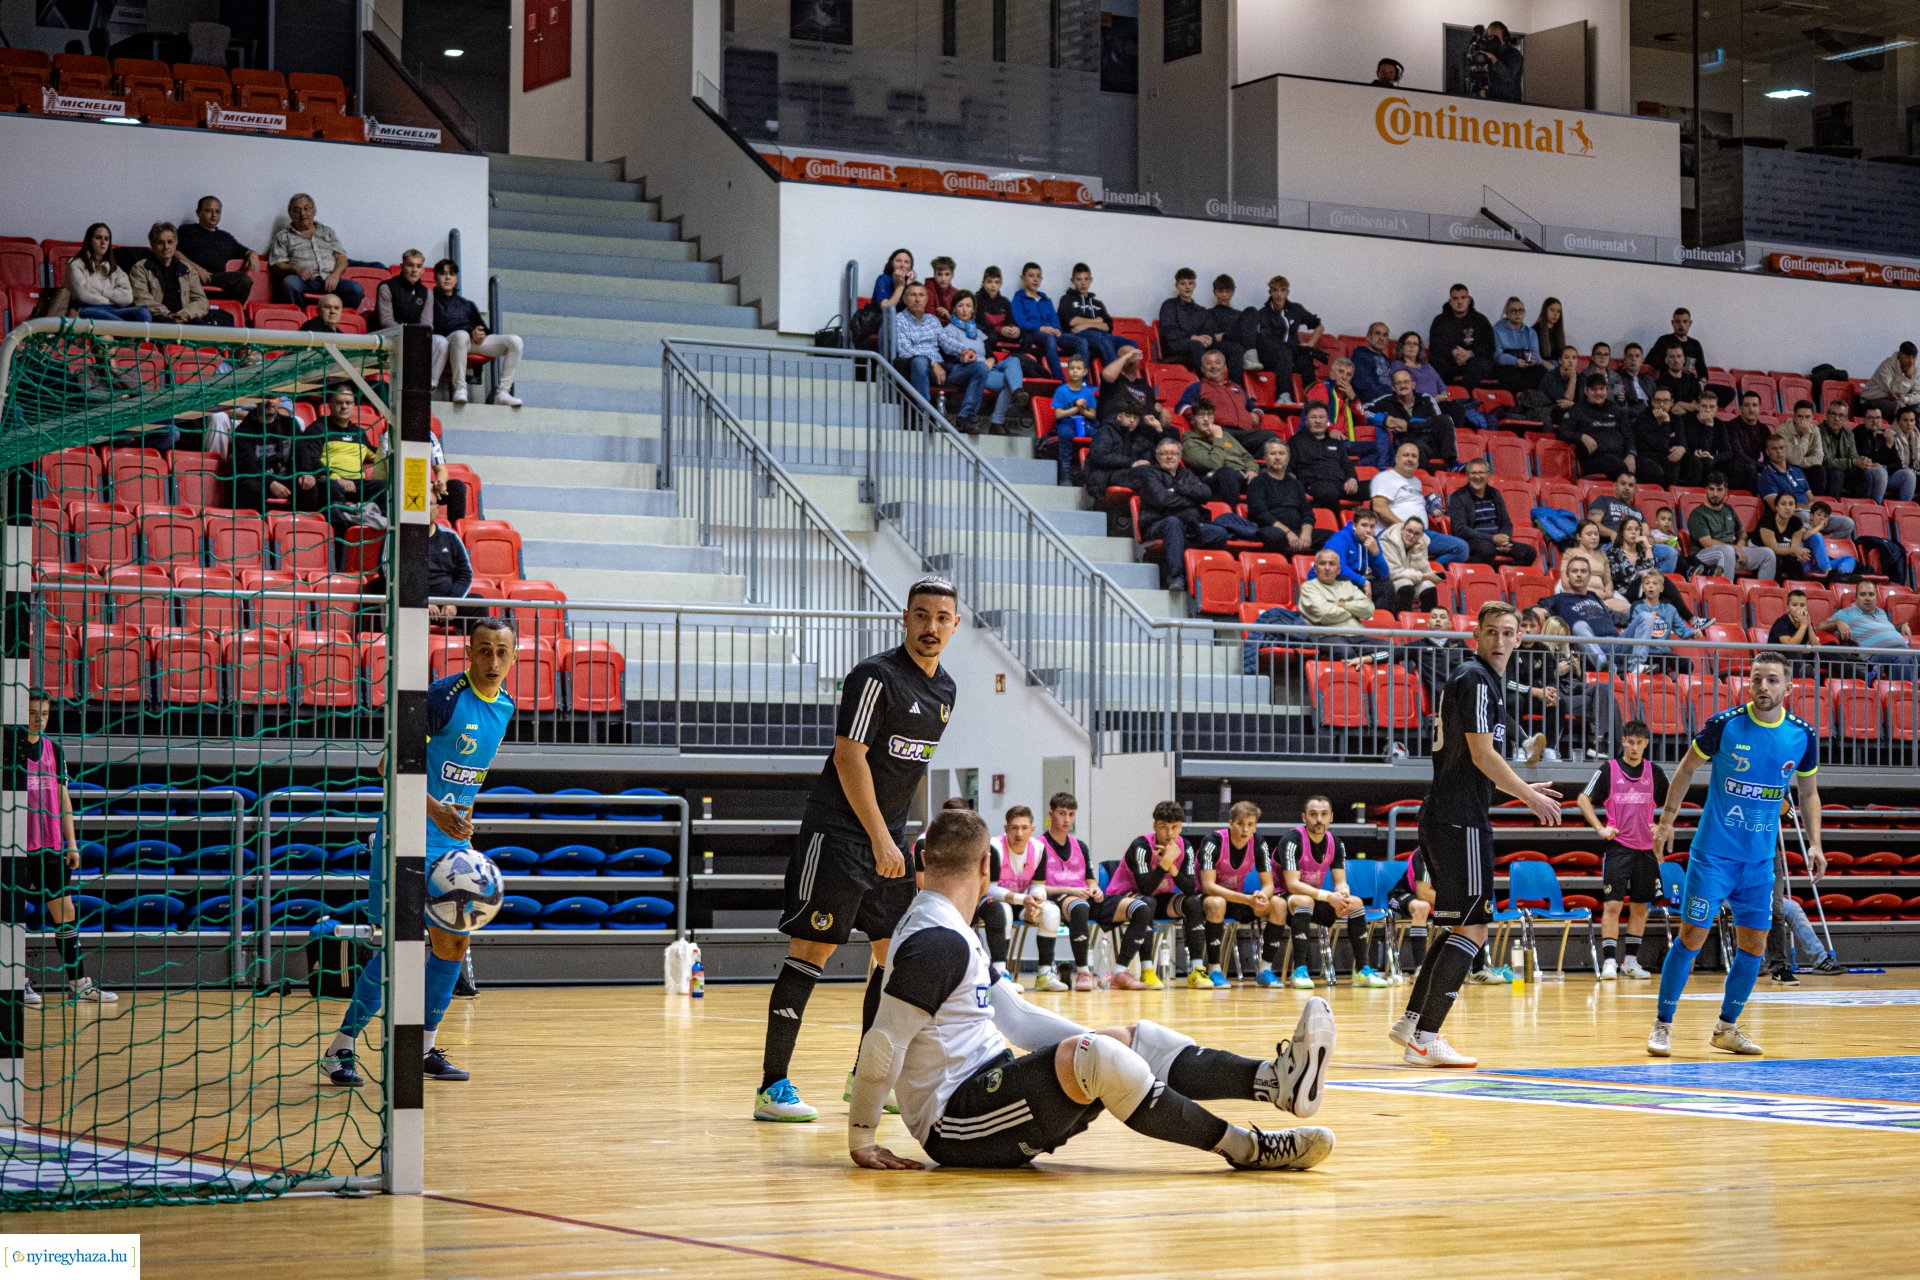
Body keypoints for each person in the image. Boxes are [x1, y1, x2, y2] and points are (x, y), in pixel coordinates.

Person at [847, 808, 1337, 1174]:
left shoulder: (950, 929)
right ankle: (1250, 1149)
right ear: (986, 870)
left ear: (927, 861)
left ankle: (1275, 1080)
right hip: (954, 1125)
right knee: (1098, 1055)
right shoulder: (935, 941)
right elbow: (883, 1043)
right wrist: (862, 1138)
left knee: (1133, 1038)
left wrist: (1109, 1040)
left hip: (991, 1090)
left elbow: (1016, 1019)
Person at [755, 579, 961, 1123]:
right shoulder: (875, 677)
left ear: (955, 625)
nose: (931, 627)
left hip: (889, 841)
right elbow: (849, 756)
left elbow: (909, 769)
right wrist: (877, 837)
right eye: (921, 615)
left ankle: (863, 1075)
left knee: (890, 958)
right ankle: (772, 1087)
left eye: (942, 618)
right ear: (905, 619)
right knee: (812, 952)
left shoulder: (947, 692)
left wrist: (901, 836)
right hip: (841, 836)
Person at [324, 619, 519, 1086]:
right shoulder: (442, 697)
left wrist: (462, 828)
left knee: (454, 942)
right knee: (400, 946)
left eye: (502, 653)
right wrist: (436, 812)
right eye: (484, 651)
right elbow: (388, 764)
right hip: (407, 832)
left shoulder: (506, 707)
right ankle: (341, 1049)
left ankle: (424, 1047)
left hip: (451, 841)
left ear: (515, 657)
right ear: (468, 652)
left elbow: (464, 778)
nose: (493, 662)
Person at [1390, 602, 1563, 1067]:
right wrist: (1529, 796)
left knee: (1456, 924)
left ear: (1521, 638)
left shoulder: (1484, 682)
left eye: (1509, 633)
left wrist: (1520, 788)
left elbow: (1473, 766)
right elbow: (1483, 755)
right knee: (1475, 925)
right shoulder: (1477, 679)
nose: (1501, 640)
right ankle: (1425, 1037)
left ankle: (1411, 1021)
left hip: (1449, 813)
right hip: (1459, 820)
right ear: (1476, 635)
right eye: (1492, 632)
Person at [1649, 653, 1821, 1058]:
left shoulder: (1802, 735)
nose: (1763, 687)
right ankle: (1662, 1025)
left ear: (1788, 687)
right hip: (1713, 856)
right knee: (1691, 937)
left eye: (1773, 680)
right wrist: (1667, 820)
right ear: (1748, 683)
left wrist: (1815, 843)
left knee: (1755, 947)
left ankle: (1726, 1028)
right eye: (1757, 679)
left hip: (1760, 864)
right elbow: (1686, 769)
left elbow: (1809, 792)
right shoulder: (1724, 725)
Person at [20, 690, 114, 1006]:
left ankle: (79, 983)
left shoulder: (54, 750)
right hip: (17, 846)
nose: (38, 719)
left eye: (44, 713)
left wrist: (71, 844)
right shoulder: (11, 748)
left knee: (66, 913)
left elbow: (63, 798)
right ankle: (15, 982)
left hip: (51, 846)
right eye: (33, 712)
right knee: (12, 915)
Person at [1576, 720, 1667, 981]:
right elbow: (1583, 799)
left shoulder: (1655, 772)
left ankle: (1630, 962)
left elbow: (1672, 801)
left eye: (1640, 743)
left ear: (1646, 744)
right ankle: (1608, 962)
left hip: (1646, 851)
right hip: (1618, 848)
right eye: (1631, 742)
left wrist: (1661, 825)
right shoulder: (1609, 769)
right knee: (1613, 905)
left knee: (1640, 907)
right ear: (1623, 742)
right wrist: (1600, 828)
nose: (1635, 748)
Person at [1102, 800, 1208, 989]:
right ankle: (1148, 971)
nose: (1169, 834)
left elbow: (1191, 888)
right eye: (1164, 827)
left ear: (1181, 827)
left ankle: (1197, 970)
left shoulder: (1186, 847)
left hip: (1159, 898)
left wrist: (1172, 866)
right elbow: (1146, 889)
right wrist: (1165, 861)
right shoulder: (1141, 845)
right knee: (1147, 902)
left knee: (1193, 902)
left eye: (1175, 827)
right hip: (1126, 896)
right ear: (1154, 826)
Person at [1280, 797, 1382, 989]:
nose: (1319, 819)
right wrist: (1328, 897)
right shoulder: (1292, 840)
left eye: (1324, 814)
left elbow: (1341, 881)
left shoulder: (1335, 843)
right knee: (1304, 901)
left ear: (1331, 817)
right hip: (1283, 899)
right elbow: (1292, 884)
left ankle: (1362, 970)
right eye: (1313, 814)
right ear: (1304, 817)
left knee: (1356, 903)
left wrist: (1342, 894)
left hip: (1315, 898)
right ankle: (1300, 970)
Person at [1193, 802, 1282, 988]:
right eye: (1240, 823)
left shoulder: (1259, 843)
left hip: (1238, 899)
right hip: (1205, 900)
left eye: (1250, 824)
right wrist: (1247, 900)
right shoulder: (1212, 841)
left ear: (1255, 826)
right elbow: (1209, 886)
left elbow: (1269, 885)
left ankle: (1265, 970)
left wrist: (1262, 897)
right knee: (1217, 903)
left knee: (1278, 904)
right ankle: (1215, 970)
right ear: (1230, 823)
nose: (1245, 829)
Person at [1138, 437, 1227, 590]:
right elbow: (1163, 501)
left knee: (1219, 533)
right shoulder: (1150, 475)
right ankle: (1175, 577)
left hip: (1186, 526)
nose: (1169, 456)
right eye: (1164, 453)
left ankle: (1204, 577)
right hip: (1156, 524)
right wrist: (1192, 502)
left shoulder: (1186, 474)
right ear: (1158, 457)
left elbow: (1205, 493)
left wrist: (1182, 490)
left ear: (1179, 457)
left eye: (1173, 453)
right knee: (1173, 523)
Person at [433, 258, 524, 407]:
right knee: (461, 335)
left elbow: (486, 330)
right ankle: (460, 388)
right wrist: (470, 332)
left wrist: (480, 334)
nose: (448, 277)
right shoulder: (431, 300)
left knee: (515, 341)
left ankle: (502, 393)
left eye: (452, 274)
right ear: (436, 277)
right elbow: (440, 324)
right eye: (443, 274)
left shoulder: (466, 304)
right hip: (447, 342)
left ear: (456, 279)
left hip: (469, 342)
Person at [1035, 793, 1102, 991]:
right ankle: (1083, 972)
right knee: (1080, 907)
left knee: (1139, 907)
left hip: (1080, 895)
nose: (1066, 820)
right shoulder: (1038, 846)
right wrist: (1069, 889)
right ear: (1051, 814)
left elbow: (1090, 880)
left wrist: (1096, 890)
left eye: (1071, 814)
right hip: (1054, 898)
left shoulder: (1080, 846)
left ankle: (1122, 971)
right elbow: (1036, 886)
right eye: (1062, 813)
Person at [980, 806, 1049, 988]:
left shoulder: (1039, 849)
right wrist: (1021, 899)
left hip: (1022, 900)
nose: (1019, 833)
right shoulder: (994, 847)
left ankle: (1045, 974)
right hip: (994, 902)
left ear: (1032, 829)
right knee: (1004, 910)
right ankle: (1001, 973)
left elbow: (1038, 886)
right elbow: (989, 889)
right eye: (1014, 828)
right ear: (1006, 828)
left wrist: (1038, 898)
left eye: (1024, 828)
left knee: (1051, 913)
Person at [1370, 442, 1469, 565]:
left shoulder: (1416, 482)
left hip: (1421, 535)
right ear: (1396, 458)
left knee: (1462, 548)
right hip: (1392, 533)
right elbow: (1379, 508)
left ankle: (1430, 569)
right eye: (1406, 455)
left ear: (1418, 462)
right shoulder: (1384, 477)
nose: (1410, 459)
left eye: (1414, 456)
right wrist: (1406, 528)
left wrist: (1431, 511)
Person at [1175, 348, 1279, 457]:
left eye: (1218, 363)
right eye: (1208, 363)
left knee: (1271, 438)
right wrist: (1200, 417)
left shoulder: (1237, 388)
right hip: (1220, 432)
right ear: (1202, 368)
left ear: (1225, 367)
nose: (1213, 366)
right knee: (1224, 442)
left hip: (1245, 434)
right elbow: (1182, 406)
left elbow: (1255, 408)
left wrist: (1256, 414)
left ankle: (1248, 463)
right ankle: (1242, 462)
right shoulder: (1197, 387)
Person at [230, 395, 323, 514]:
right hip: (259, 480)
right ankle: (258, 524)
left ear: (280, 400)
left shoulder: (290, 424)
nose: (269, 401)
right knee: (250, 487)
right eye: (265, 397)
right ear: (256, 401)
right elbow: (246, 465)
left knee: (309, 485)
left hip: (287, 478)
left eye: (273, 397)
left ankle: (301, 524)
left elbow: (303, 453)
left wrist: (306, 473)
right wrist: (270, 483)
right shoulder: (243, 430)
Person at [270, 193, 362, 308]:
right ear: (291, 214)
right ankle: (301, 319)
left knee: (355, 289)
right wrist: (295, 269)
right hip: (304, 282)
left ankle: (338, 321)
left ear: (314, 211)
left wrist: (335, 275)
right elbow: (277, 264)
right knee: (290, 283)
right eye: (297, 210)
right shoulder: (283, 236)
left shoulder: (327, 232)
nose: (302, 213)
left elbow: (342, 259)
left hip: (330, 280)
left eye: (306, 208)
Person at [130, 222, 231, 326]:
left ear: (176, 243)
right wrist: (168, 314)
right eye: (160, 243)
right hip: (159, 318)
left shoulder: (188, 269)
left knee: (216, 326)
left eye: (170, 242)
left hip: (185, 317)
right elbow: (142, 300)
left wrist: (186, 313)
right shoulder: (140, 268)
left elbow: (201, 300)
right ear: (152, 245)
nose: (166, 247)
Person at [1756, 433, 1856, 537]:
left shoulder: (1797, 470)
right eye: (1774, 449)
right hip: (1790, 516)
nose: (1779, 452)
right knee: (1804, 517)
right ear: (1767, 452)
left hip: (1810, 514)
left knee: (1848, 523)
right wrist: (1804, 507)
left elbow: (1810, 496)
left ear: (1786, 448)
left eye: (1781, 448)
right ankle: (1816, 537)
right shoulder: (1766, 476)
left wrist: (1817, 511)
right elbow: (1776, 506)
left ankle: (1825, 541)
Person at [376, 249, 448, 390]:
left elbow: (426, 324)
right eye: (410, 265)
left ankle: (428, 385)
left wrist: (414, 337)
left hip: (414, 338)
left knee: (441, 342)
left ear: (423, 270)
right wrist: (408, 334)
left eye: (419, 266)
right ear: (402, 267)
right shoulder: (387, 287)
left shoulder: (427, 293)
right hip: (391, 336)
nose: (414, 270)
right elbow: (386, 322)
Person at [892, 281, 968, 413]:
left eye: (921, 295)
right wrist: (933, 363)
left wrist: (965, 350)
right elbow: (905, 350)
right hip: (913, 366)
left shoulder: (932, 319)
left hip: (938, 368)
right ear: (904, 299)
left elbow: (946, 340)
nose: (917, 299)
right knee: (920, 361)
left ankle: (967, 417)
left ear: (927, 299)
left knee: (977, 368)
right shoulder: (898, 319)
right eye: (913, 295)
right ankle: (924, 414)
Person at [1544, 553, 1626, 671]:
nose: (1579, 575)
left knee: (1645, 617)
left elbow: (1614, 616)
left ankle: (1638, 666)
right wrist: (1539, 611)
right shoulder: (1559, 599)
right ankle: (1603, 665)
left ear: (1589, 576)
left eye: (1583, 571)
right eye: (1574, 571)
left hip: (1617, 643)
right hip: (1592, 647)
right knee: (1579, 625)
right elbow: (1535, 611)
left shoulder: (1594, 596)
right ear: (1567, 576)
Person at [1820, 580, 1916, 679]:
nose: (1867, 598)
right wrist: (1837, 623)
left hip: (1903, 652)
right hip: (1875, 657)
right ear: (1856, 599)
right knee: (1903, 658)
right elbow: (1820, 626)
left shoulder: (1881, 612)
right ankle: (1903, 694)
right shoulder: (1847, 613)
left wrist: (1901, 626)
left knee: (1905, 657)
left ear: (1876, 598)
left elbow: (1884, 630)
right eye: (1863, 594)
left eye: (1871, 594)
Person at [1447, 460, 1536, 566]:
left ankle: (1502, 575)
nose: (1477, 477)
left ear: (1488, 475)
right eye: (1473, 473)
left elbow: (1506, 522)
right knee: (1487, 549)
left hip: (1496, 540)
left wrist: (1504, 539)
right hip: (1472, 541)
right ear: (1467, 475)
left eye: (1481, 473)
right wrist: (1492, 539)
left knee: (1529, 552)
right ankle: (1482, 577)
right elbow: (1460, 530)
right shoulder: (1458, 497)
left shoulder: (1495, 494)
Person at [1687, 474, 1776, 581]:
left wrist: (1740, 547)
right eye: (1711, 489)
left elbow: (1742, 533)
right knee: (1727, 551)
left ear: (1726, 491)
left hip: (1730, 553)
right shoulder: (1698, 513)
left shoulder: (1728, 509)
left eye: (1719, 490)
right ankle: (1726, 592)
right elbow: (1707, 542)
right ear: (1706, 490)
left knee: (1768, 554)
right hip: (1704, 555)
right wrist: (1735, 548)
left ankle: (1762, 595)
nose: (1715, 494)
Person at [176, 194, 262, 302]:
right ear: (198, 213)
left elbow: (244, 251)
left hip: (215, 278)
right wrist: (196, 269)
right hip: (190, 275)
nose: (213, 215)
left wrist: (252, 254)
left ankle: (226, 310)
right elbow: (175, 252)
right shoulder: (187, 230)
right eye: (208, 211)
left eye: (217, 211)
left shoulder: (225, 237)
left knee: (244, 280)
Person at [1366, 368, 1456, 469]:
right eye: (1398, 383)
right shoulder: (1385, 401)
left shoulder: (1426, 399)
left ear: (1413, 384)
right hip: (1408, 446)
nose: (1403, 385)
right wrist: (1383, 419)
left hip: (1432, 443)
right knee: (1416, 446)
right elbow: (1363, 410)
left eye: (1406, 382)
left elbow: (1437, 424)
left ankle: (1452, 464)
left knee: (1445, 419)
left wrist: (1410, 426)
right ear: (1393, 387)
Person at [1247, 440, 1324, 556]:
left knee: (1332, 537)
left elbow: (1307, 513)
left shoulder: (1296, 483)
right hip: (1272, 529)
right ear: (1265, 458)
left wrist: (1306, 534)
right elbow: (1260, 514)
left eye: (1281, 453)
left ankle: (1316, 570)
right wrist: (1287, 532)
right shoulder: (1257, 483)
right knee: (1274, 536)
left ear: (1288, 458)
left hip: (1297, 531)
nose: (1277, 457)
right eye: (1273, 454)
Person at [1250, 275, 1324, 396]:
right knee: (1284, 354)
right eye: (1275, 290)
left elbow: (1319, 326)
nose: (1279, 294)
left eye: (1282, 290)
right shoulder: (1262, 314)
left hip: (1292, 355)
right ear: (1270, 292)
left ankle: (1312, 399)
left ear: (1287, 292)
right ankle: (1284, 396)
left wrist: (1310, 344)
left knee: (1305, 356)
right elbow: (1265, 342)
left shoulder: (1296, 309)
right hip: (1272, 357)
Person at [1056, 262, 1135, 367]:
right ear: (1073, 281)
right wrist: (1097, 321)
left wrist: (1086, 325)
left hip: (1102, 334)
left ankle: (1129, 380)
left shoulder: (1098, 304)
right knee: (1104, 342)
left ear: (1091, 280)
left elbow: (1108, 326)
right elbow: (1072, 321)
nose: (1083, 283)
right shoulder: (1066, 299)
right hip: (1080, 336)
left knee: (1132, 345)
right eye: (1079, 279)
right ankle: (1114, 381)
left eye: (1086, 279)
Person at [1013, 261, 1083, 380]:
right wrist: (1040, 328)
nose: (1035, 279)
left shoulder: (1045, 299)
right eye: (1031, 276)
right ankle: (1060, 380)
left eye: (1038, 276)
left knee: (1081, 342)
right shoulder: (1018, 299)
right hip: (1034, 333)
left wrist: (1057, 328)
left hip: (1052, 332)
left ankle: (1082, 381)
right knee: (1050, 340)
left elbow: (1054, 318)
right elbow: (1020, 322)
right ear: (1023, 278)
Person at [66, 223, 148, 323]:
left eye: (106, 239)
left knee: (143, 313)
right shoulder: (75, 264)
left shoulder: (115, 269)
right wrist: (113, 299)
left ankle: (130, 333)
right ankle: (131, 334)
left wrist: (103, 292)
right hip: (88, 308)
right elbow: (84, 295)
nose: (103, 242)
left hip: (115, 309)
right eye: (98, 238)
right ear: (89, 240)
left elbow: (128, 297)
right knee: (121, 324)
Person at [1180, 400, 1260, 503]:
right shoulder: (1190, 444)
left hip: (1242, 476)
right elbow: (1215, 465)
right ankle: (1232, 515)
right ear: (1192, 420)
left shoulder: (1225, 435)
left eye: (1209, 415)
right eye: (1201, 415)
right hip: (1213, 479)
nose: (1206, 419)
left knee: (1268, 472)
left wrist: (1252, 470)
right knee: (1226, 472)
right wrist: (1217, 439)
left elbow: (1247, 457)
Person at [1560, 373, 1635, 477]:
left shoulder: (1616, 409)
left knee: (1652, 471)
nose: (1598, 392)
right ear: (1586, 391)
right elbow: (1562, 432)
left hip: (1621, 456)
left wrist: (1631, 455)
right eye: (1594, 389)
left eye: (1601, 389)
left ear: (1607, 391)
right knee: (1620, 467)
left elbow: (1629, 435)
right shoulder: (1577, 410)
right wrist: (1581, 436)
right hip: (1594, 458)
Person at [1624, 572, 1700, 673]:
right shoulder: (1637, 607)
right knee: (1662, 665)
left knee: (1687, 665)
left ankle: (1671, 682)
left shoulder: (1670, 608)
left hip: (1664, 653)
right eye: (1647, 583)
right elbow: (1633, 631)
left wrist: (1693, 633)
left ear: (1661, 588)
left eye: (1655, 584)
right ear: (1643, 587)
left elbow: (1681, 628)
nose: (1651, 586)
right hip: (1647, 653)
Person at [1083, 404, 1164, 497]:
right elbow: (1100, 457)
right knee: (1148, 474)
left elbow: (1158, 454)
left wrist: (1159, 429)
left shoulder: (1137, 434)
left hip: (1126, 473)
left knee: (1160, 472)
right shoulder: (1106, 431)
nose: (1132, 420)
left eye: (1136, 417)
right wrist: (1131, 463)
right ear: (1119, 416)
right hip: (1105, 476)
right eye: (1128, 416)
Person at [1291, 403, 1360, 512]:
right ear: (1306, 420)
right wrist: (1298, 489)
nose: (1318, 421)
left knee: (1377, 488)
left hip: (1342, 485)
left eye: (1321, 417)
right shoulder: (1296, 441)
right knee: (1329, 492)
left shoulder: (1336, 442)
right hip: (1315, 485)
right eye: (1313, 417)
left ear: (1327, 420)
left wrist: (1352, 479)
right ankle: (1337, 525)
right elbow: (1289, 469)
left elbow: (1348, 466)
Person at [1427, 283, 1495, 388]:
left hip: (1474, 361)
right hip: (1450, 361)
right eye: (1455, 298)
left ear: (1469, 300)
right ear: (1450, 302)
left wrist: (1470, 353)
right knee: (1435, 363)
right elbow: (1435, 346)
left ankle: (1467, 401)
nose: (1459, 301)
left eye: (1463, 297)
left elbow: (1489, 346)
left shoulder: (1481, 320)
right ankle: (1442, 398)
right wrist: (1452, 351)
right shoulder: (1440, 321)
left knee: (1479, 365)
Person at [1820, 399, 1887, 502]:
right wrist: (1853, 462)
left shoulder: (1848, 433)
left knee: (1867, 474)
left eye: (1841, 415)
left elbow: (1853, 455)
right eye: (1833, 414)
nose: (1836, 419)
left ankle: (1858, 507)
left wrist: (1862, 461)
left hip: (1844, 471)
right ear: (1827, 415)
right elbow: (1827, 460)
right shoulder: (1819, 431)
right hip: (1825, 472)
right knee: (1837, 473)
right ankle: (1834, 507)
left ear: (1846, 418)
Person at [1049, 354, 1100, 482]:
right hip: (1066, 422)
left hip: (1084, 422)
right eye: (1072, 368)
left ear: (1085, 372)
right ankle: (1065, 471)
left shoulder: (1088, 392)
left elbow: (1093, 414)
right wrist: (1076, 408)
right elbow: (1058, 414)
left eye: (1078, 368)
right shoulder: (1061, 390)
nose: (1075, 371)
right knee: (1066, 435)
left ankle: (1092, 470)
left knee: (1099, 436)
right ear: (1067, 371)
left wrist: (1082, 410)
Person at [1321, 509, 1392, 601]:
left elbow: (1384, 574)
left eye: (1372, 526)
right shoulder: (1340, 539)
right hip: (1331, 582)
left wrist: (1376, 554)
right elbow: (1337, 568)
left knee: (1386, 586)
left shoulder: (1372, 541)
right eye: (1364, 525)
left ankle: (1377, 615)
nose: (1368, 530)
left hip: (1354, 583)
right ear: (1355, 526)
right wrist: (1363, 582)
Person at [1385, 847, 1435, 974]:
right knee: (1422, 906)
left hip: (1437, 898)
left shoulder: (1461, 853)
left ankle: (1479, 967)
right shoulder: (1426, 851)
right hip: (1404, 895)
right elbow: (1423, 893)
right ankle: (1421, 968)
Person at [1856, 404, 1919, 503]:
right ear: (1864, 419)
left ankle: (1902, 511)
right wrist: (1887, 446)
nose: (1875, 421)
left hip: (1885, 476)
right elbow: (1869, 461)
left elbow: (1897, 464)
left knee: (1909, 475)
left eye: (1878, 418)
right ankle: (1876, 509)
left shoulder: (1883, 435)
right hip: (1864, 475)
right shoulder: (1858, 434)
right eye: (1870, 418)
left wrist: (1884, 466)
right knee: (1880, 471)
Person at [1778, 401, 1841, 498]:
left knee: (1828, 472)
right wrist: (1806, 435)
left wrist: (1801, 461)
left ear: (1812, 418)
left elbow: (1819, 458)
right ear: (1794, 417)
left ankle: (1824, 504)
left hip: (1807, 468)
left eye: (1807, 417)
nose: (1803, 420)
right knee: (1814, 471)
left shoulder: (1815, 430)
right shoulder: (1782, 431)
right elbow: (1793, 460)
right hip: (1789, 469)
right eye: (1800, 416)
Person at [1382, 516, 1444, 613]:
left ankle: (1428, 623)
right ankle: (1401, 622)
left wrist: (1417, 553)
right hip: (1388, 583)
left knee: (1429, 586)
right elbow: (1393, 573)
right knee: (1406, 584)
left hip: (1410, 581)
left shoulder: (1421, 544)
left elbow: (1425, 571)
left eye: (1416, 534)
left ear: (1421, 536)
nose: (1411, 536)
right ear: (1403, 529)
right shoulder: (1388, 541)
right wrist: (1423, 576)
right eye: (1409, 531)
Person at [1631, 387, 1686, 487]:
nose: (1661, 404)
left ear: (1671, 402)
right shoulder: (1642, 419)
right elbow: (1660, 445)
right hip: (1645, 457)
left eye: (1665, 401)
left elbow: (1682, 440)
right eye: (1658, 401)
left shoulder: (1676, 419)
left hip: (1665, 457)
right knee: (1657, 470)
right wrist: (1665, 423)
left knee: (1686, 461)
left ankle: (1676, 495)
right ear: (1652, 402)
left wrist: (1682, 448)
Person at [1492, 297, 1546, 391]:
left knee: (1541, 371)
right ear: (1507, 313)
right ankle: (1517, 400)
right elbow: (1497, 356)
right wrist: (1515, 361)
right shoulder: (1497, 330)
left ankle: (1528, 399)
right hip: (1507, 364)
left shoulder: (1531, 332)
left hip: (1525, 363)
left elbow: (1536, 354)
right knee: (1512, 374)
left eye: (1521, 310)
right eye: (1514, 311)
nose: (1517, 314)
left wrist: (1534, 360)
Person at [1607, 516, 1665, 603]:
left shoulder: (1643, 553)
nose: (1633, 532)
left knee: (1664, 588)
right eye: (1629, 529)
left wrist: (1647, 546)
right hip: (1626, 595)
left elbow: (1655, 572)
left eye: (1637, 529)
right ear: (1622, 533)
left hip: (1646, 593)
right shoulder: (1613, 553)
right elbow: (1623, 579)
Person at [1675, 391, 1727, 488]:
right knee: (1697, 461)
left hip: (1708, 462)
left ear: (1716, 409)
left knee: (1708, 461)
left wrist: (1713, 457)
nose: (1707, 410)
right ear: (1698, 407)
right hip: (1688, 460)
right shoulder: (1685, 419)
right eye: (1704, 406)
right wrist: (1708, 427)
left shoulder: (1720, 424)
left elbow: (1728, 452)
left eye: (1711, 407)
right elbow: (1685, 444)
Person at [1860, 340, 1920, 418]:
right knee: (1899, 407)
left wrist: (1906, 399)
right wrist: (1906, 377)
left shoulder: (1915, 371)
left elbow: (1918, 394)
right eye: (1907, 357)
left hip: (1895, 402)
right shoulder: (1886, 366)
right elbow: (1894, 393)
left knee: (1917, 407)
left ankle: (1915, 430)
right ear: (1900, 355)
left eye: (1914, 357)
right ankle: (1899, 430)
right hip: (1870, 401)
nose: (1911, 361)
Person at [1766, 589, 1819, 675]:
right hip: (1777, 662)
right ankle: (1803, 671)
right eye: (1794, 605)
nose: (1799, 608)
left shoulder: (1805, 622)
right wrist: (1803, 625)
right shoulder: (1781, 622)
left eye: (1802, 605)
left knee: (1824, 650)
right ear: (1788, 608)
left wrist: (1808, 625)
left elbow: (1817, 647)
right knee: (1793, 649)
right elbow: (1790, 646)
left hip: (1795, 662)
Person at [1390, 331, 1452, 401]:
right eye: (1408, 343)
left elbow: (1441, 384)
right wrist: (1433, 400)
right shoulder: (1398, 365)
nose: (1412, 346)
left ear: (1419, 348)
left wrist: (1444, 396)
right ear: (1402, 347)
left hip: (1438, 403)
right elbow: (1404, 389)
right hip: (1419, 405)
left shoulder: (1427, 365)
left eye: (1415, 344)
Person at [1646, 307, 1705, 378]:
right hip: (1668, 382)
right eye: (1677, 321)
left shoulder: (1695, 344)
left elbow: (1702, 370)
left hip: (1690, 383)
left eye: (1685, 321)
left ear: (1690, 323)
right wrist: (1675, 367)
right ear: (1672, 323)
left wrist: (1702, 382)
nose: (1681, 325)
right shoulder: (1664, 341)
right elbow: (1650, 360)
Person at [1474, 20, 1524, 101]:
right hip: (1493, 101)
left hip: (1510, 103)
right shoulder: (1493, 54)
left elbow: (1508, 76)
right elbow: (1491, 79)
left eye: (1494, 37)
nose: (1492, 40)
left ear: (1505, 36)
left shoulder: (1514, 54)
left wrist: (1494, 60)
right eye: (1489, 37)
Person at [1350, 322, 1396, 402]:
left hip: (1390, 401)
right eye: (1377, 333)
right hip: (1371, 403)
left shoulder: (1387, 360)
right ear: (1368, 336)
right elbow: (1364, 386)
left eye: (1385, 335)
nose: (1381, 338)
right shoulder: (1360, 355)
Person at [1653, 344, 1702, 415]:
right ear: (1666, 360)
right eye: (1672, 357)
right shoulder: (1661, 383)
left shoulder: (1692, 379)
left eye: (1679, 356)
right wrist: (1691, 406)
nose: (1676, 360)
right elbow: (1672, 410)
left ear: (1684, 359)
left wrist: (1680, 404)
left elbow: (1701, 405)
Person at [1539, 345, 1583, 422]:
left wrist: (1573, 405)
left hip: (1570, 413)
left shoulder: (1581, 378)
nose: (1571, 361)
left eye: (1574, 358)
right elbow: (1563, 403)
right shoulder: (1550, 377)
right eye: (1567, 357)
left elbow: (1582, 403)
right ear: (1560, 360)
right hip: (1548, 411)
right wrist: (1572, 379)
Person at [1607, 342, 1654, 412]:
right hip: (1631, 416)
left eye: (1637, 356)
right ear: (1624, 360)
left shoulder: (1648, 380)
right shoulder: (1617, 380)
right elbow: (1614, 400)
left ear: (1642, 360)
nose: (1633, 359)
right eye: (1630, 356)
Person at [923, 255, 959, 323]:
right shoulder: (925, 291)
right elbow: (930, 318)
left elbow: (962, 319)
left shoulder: (956, 293)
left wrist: (949, 316)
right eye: (939, 274)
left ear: (952, 275)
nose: (943, 279)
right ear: (934, 275)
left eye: (947, 274)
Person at [1534, 298, 1567, 364]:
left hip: (1558, 366)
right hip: (1541, 366)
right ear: (1545, 311)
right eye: (1552, 310)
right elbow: (1534, 356)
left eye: (1558, 311)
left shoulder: (1559, 331)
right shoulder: (1535, 330)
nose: (1555, 314)